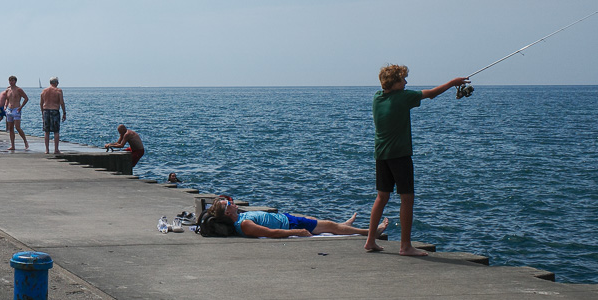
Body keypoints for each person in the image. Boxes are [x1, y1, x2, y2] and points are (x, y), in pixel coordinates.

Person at [367, 64, 469, 257]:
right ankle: (405, 246)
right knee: (407, 199)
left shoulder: (377, 98)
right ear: (394, 82)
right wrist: (453, 82)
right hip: (399, 155)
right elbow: (431, 94)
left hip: (381, 155)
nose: (406, 83)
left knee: (382, 197)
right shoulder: (403, 98)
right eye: (402, 80)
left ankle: (370, 240)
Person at [198, 195, 375, 238]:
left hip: (287, 219)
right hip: (289, 224)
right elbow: (270, 232)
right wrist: (298, 232)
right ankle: (368, 231)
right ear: (228, 213)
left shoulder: (241, 217)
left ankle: (344, 226)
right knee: (328, 225)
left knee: (327, 225)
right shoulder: (244, 224)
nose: (233, 202)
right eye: (229, 204)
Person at [1, 76, 31, 151]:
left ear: (15, 81)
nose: (11, 82)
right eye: (10, 80)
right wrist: (5, 106)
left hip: (16, 109)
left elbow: (26, 98)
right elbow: (7, 99)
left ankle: (25, 141)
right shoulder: (7, 90)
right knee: (10, 128)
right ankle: (12, 145)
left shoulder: (19, 89)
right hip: (9, 109)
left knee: (17, 127)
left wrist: (21, 107)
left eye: (12, 80)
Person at [40, 77, 67, 155]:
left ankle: (47, 150)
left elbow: (41, 103)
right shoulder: (58, 91)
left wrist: (42, 112)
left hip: (46, 111)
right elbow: (61, 102)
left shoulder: (44, 91)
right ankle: (56, 149)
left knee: (46, 131)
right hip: (54, 110)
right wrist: (64, 112)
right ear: (56, 83)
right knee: (56, 131)